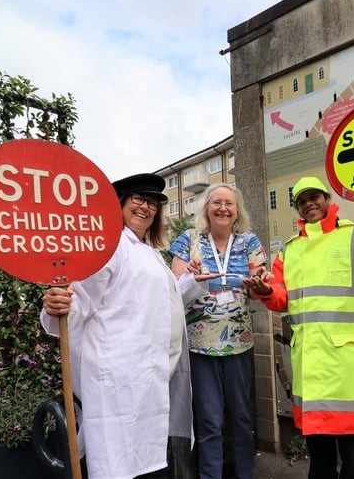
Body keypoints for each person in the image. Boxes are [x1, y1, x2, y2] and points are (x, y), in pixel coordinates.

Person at [243, 177, 354, 479]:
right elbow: (282, 298)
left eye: (314, 197)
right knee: (319, 462)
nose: (309, 204)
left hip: (348, 369)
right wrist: (266, 291)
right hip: (310, 368)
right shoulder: (290, 251)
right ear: (298, 208)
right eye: (302, 201)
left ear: (327, 198)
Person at [41, 173, 200, 479]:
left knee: (145, 461)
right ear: (120, 204)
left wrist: (191, 282)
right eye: (138, 199)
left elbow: (162, 304)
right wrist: (58, 306)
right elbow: (80, 301)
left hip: (149, 378)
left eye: (152, 203)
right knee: (118, 464)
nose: (146, 207)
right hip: (118, 379)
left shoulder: (148, 252)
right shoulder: (107, 246)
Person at [169, 183, 271, 479]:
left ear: (237, 210)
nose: (223, 207)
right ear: (206, 209)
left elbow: (261, 283)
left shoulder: (249, 242)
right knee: (209, 421)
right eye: (216, 202)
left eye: (229, 203)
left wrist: (261, 285)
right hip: (200, 348)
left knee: (241, 419)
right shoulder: (188, 240)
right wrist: (190, 275)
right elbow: (174, 293)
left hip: (239, 345)